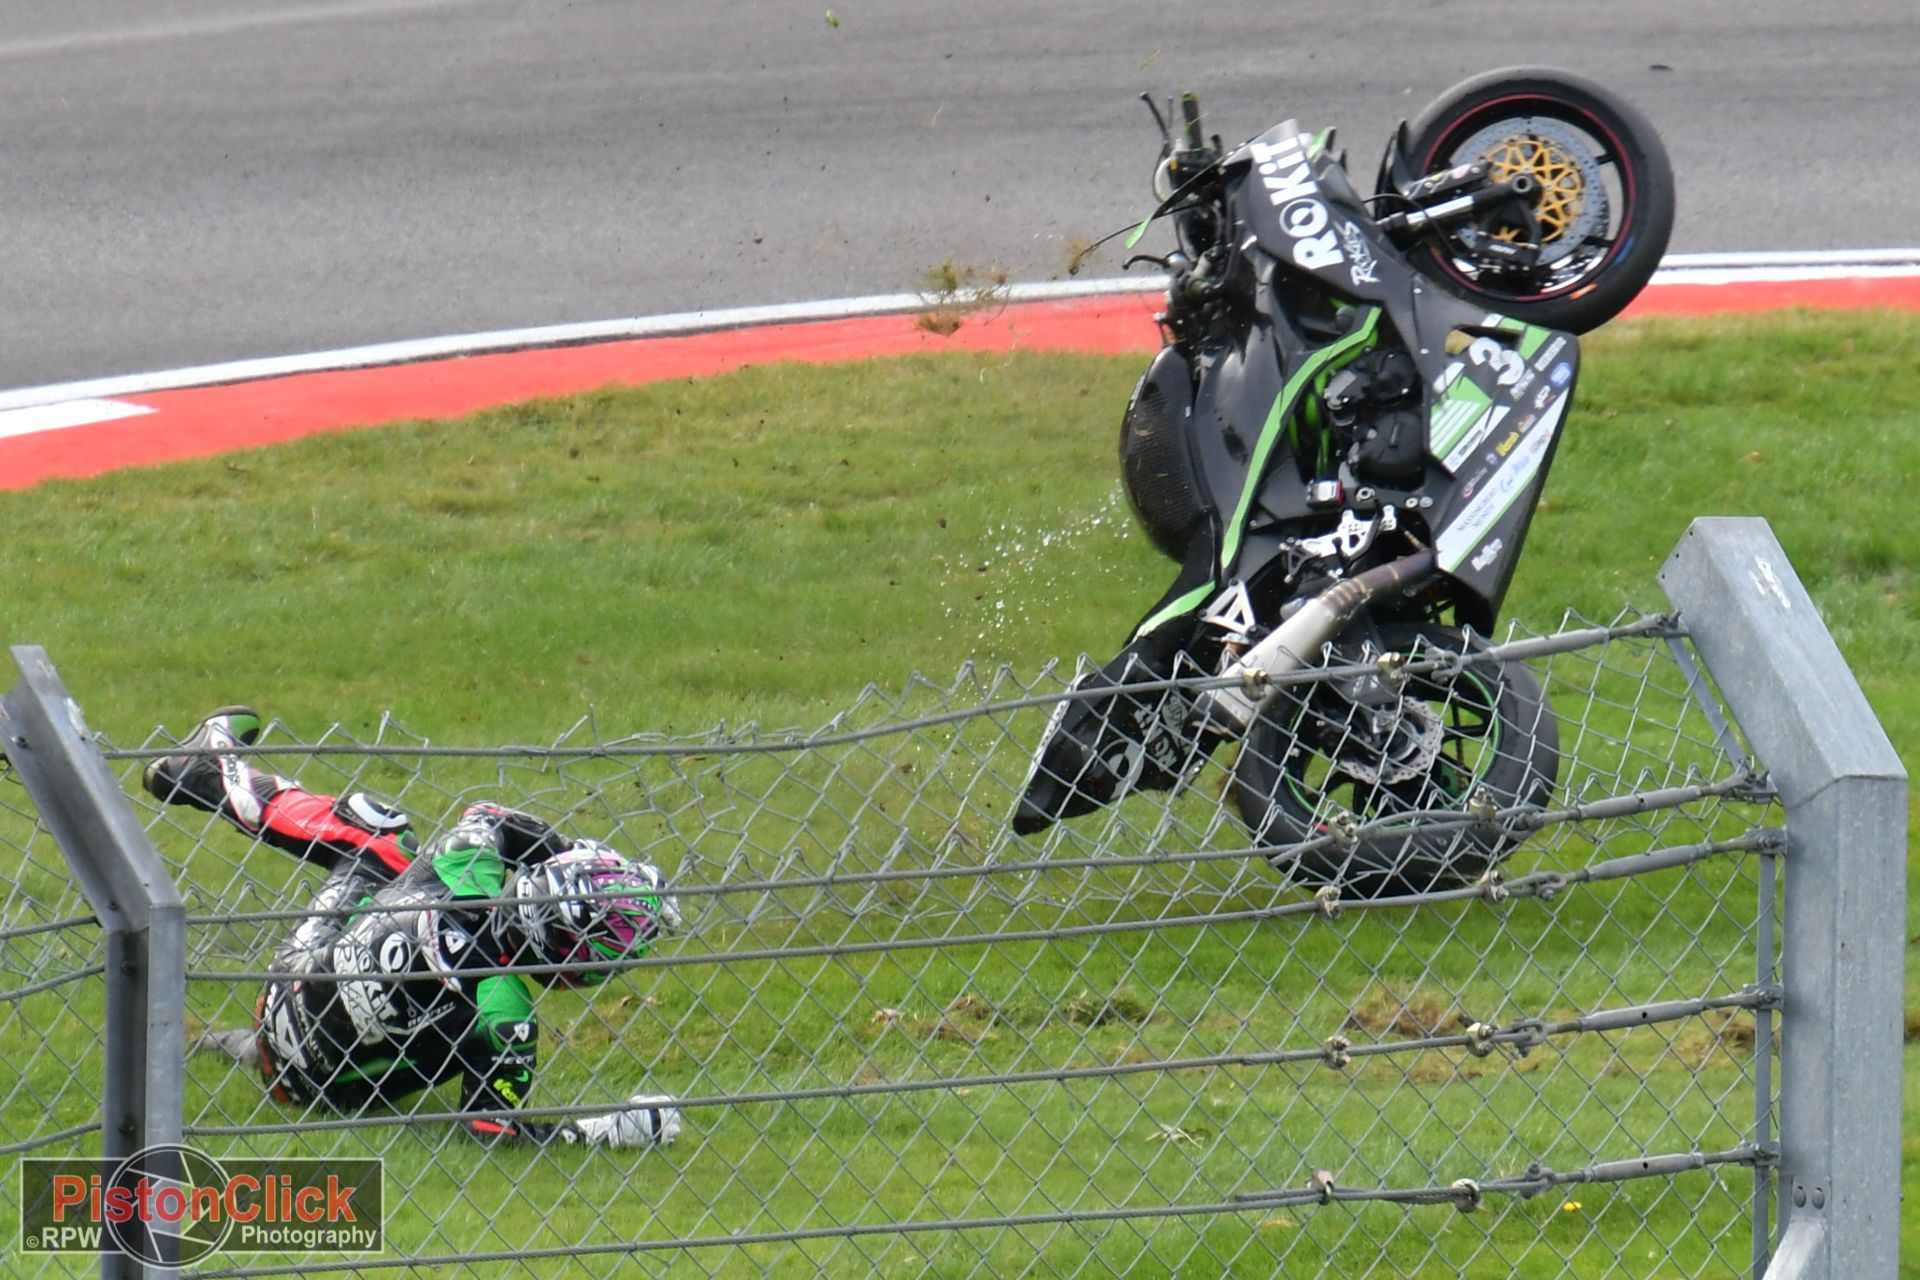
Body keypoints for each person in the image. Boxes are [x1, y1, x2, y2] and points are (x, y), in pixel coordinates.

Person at [145, 706, 683, 1148]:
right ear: (576, 969)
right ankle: (205, 768)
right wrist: (607, 1131)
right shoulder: (510, 1015)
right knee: (391, 863)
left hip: (287, 992)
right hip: (318, 1091)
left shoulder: (463, 863)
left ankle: (209, 771)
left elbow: (489, 815)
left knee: (381, 834)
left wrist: (567, 853)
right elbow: (491, 1129)